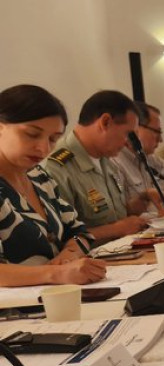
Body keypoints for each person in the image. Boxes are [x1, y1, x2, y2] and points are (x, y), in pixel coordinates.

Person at [0, 85, 106, 287]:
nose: (43, 148)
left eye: (53, 139)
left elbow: (80, 232)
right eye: (31, 134)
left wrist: (69, 254)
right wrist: (55, 273)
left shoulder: (39, 177)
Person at [43, 90, 148, 243]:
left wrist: (142, 200)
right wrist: (116, 229)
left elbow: (114, 214)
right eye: (127, 134)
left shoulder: (107, 160)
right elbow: (60, 237)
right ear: (105, 122)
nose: (127, 142)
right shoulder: (57, 167)